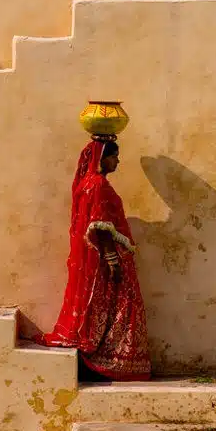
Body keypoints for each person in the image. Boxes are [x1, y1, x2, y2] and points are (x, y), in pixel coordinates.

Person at [39, 137, 151, 381]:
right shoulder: (98, 185)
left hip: (97, 259)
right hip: (106, 258)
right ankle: (108, 362)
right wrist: (112, 260)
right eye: (114, 156)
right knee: (120, 306)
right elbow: (99, 226)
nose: (118, 161)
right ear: (102, 158)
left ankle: (98, 359)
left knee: (104, 308)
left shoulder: (88, 183)